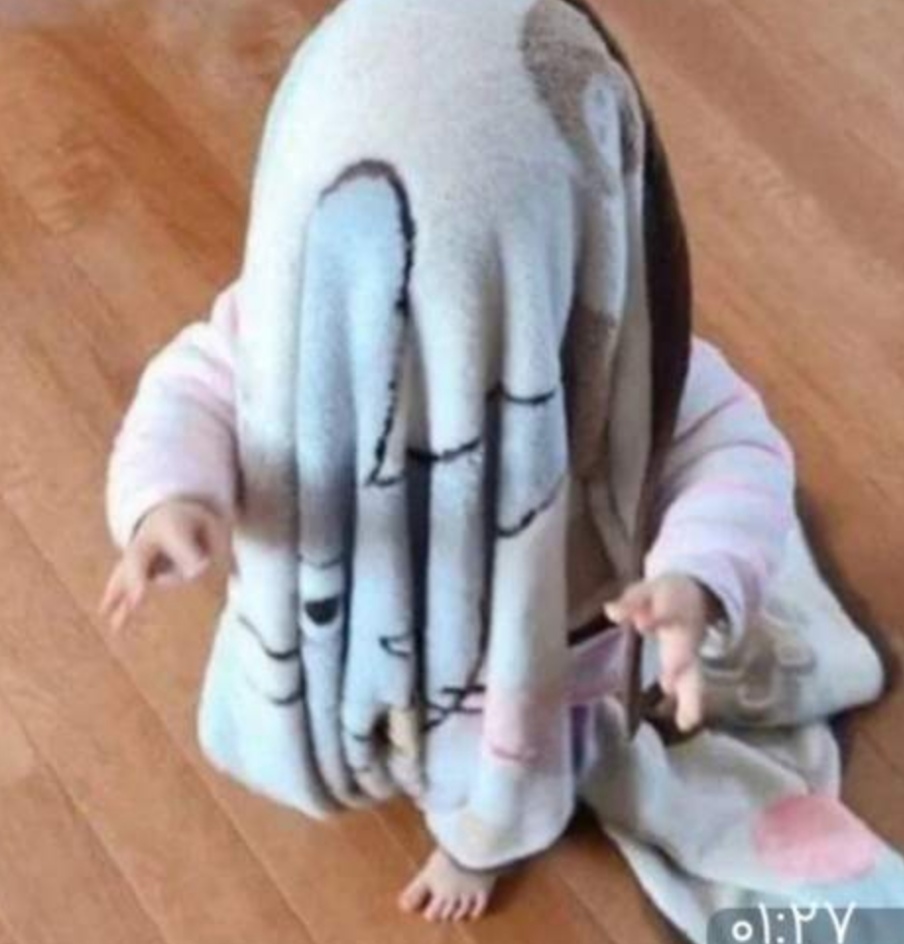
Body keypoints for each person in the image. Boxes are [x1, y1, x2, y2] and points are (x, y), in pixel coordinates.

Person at [100, 280, 795, 921]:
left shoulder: (622, 328)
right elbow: (200, 383)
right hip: (332, 617)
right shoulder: (309, 285)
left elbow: (730, 447)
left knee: (500, 780)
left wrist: (697, 573)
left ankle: (478, 848)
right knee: (290, 723)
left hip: (515, 664)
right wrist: (171, 493)